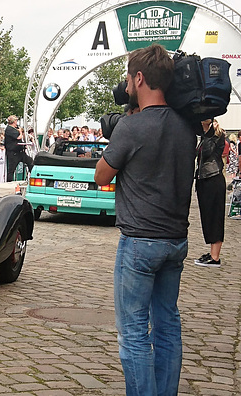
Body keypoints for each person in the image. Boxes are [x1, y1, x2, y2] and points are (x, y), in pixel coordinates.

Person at [94, 44, 199, 396]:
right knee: (168, 325)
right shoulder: (187, 128)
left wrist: (120, 129)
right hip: (176, 242)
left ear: (139, 78)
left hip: (140, 243)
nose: (125, 85)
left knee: (134, 333)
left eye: (127, 78)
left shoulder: (131, 127)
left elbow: (101, 176)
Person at [193, 119, 226, 267]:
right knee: (207, 217)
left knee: (215, 216)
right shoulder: (205, 136)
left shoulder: (216, 136)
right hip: (204, 180)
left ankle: (215, 257)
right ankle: (212, 252)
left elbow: (207, 152)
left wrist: (209, 132)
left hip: (213, 179)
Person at [4, 115, 33, 181]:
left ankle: (32, 176)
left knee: (30, 161)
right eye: (16, 121)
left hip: (20, 152)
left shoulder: (15, 128)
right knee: (11, 170)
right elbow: (18, 137)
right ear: (14, 121)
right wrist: (20, 132)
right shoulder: (9, 129)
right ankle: (9, 183)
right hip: (13, 153)